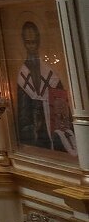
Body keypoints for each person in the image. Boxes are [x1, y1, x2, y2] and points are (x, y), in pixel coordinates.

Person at [16, 20, 76, 154]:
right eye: (28, 42)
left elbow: (61, 102)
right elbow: (22, 112)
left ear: (39, 41)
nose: (31, 46)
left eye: (34, 42)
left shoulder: (49, 72)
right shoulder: (22, 74)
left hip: (53, 127)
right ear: (24, 44)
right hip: (35, 130)